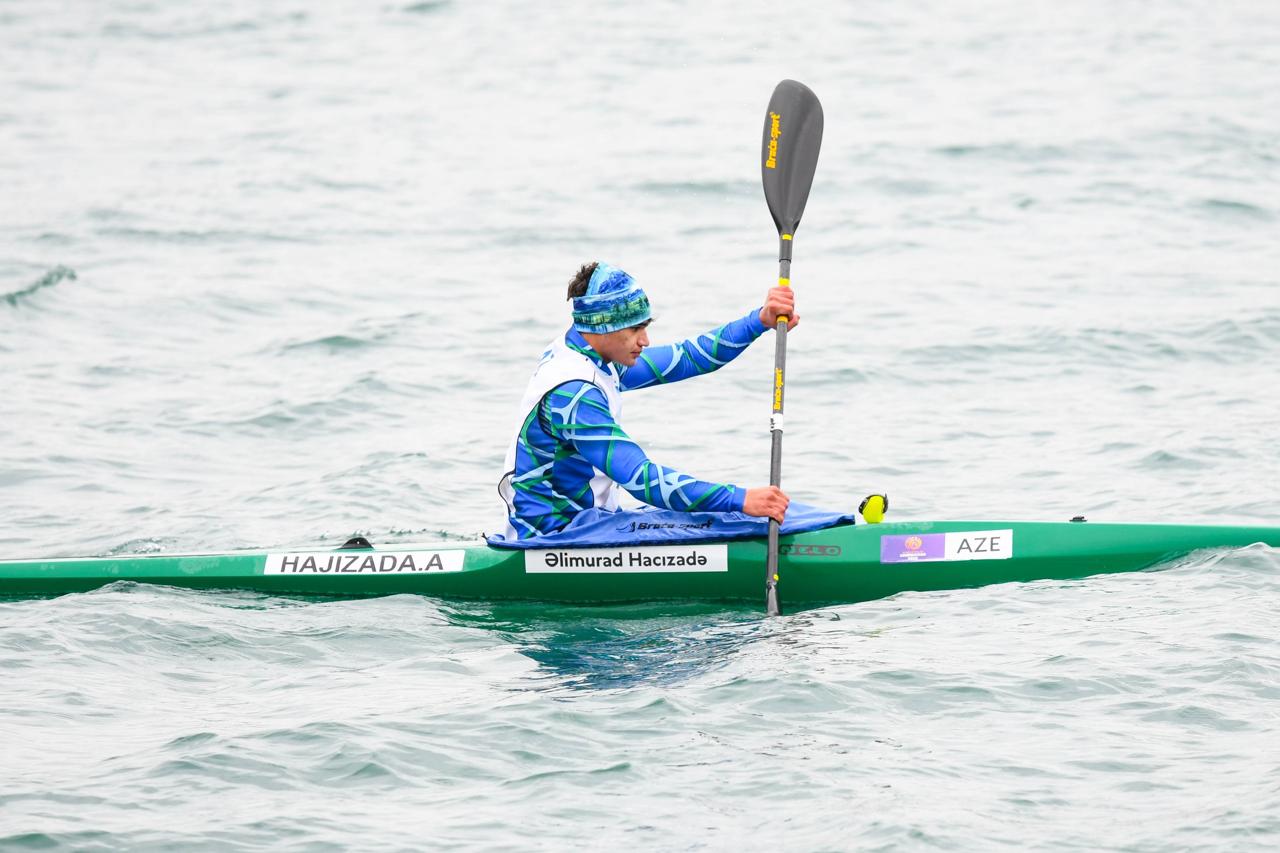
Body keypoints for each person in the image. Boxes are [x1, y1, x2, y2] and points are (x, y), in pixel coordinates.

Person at [498, 261, 795, 540]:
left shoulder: (586, 351)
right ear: (603, 326)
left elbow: (688, 358)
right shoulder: (574, 395)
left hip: (588, 522)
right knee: (729, 514)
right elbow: (642, 479)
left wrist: (759, 320)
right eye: (635, 329)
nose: (645, 340)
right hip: (552, 536)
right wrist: (740, 499)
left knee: (713, 516)